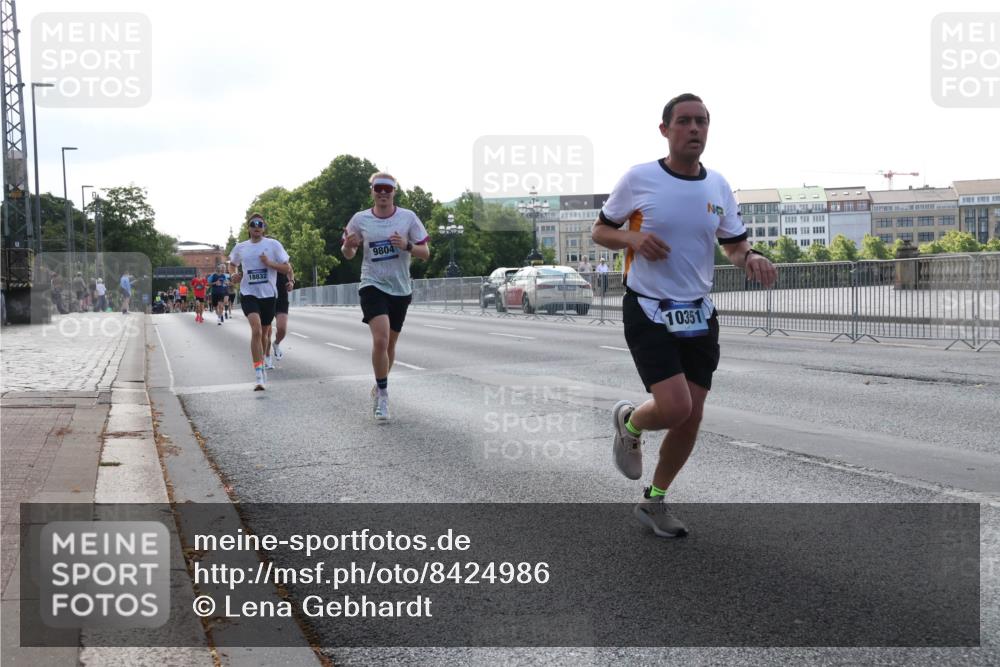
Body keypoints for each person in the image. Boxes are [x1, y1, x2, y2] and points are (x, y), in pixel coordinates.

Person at [592, 93, 777, 538]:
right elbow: (601, 230)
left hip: (697, 312)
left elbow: (733, 243)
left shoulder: (718, 186)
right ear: (665, 130)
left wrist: (749, 256)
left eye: (703, 122)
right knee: (675, 407)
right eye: (685, 121)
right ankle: (630, 421)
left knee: (691, 415)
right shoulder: (639, 179)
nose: (695, 129)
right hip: (648, 307)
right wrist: (633, 241)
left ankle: (654, 501)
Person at [341, 172, 430, 421]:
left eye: (387, 189)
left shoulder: (408, 218)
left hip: (400, 289)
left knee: (390, 345)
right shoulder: (360, 219)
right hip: (372, 284)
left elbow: (426, 253)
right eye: (378, 188)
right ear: (372, 191)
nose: (382, 193)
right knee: (380, 340)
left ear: (394, 191)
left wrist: (407, 246)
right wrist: (349, 245)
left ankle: (379, 383)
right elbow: (347, 252)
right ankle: (383, 394)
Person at [230, 213, 291, 390]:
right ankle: (258, 375)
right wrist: (233, 274)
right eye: (253, 224)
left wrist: (269, 263)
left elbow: (287, 268)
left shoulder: (273, 245)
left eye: (260, 224)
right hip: (249, 293)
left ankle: (264, 360)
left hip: (269, 295)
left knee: (265, 332)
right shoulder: (241, 247)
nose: (257, 226)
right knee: (256, 330)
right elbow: (232, 263)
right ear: (248, 228)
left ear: (264, 228)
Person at [268, 261, 295, 364]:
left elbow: (290, 269)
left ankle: (276, 343)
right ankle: (266, 357)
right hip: (266, 297)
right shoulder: (262, 255)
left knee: (282, 329)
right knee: (266, 331)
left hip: (282, 297)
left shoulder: (279, 254)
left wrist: (291, 281)